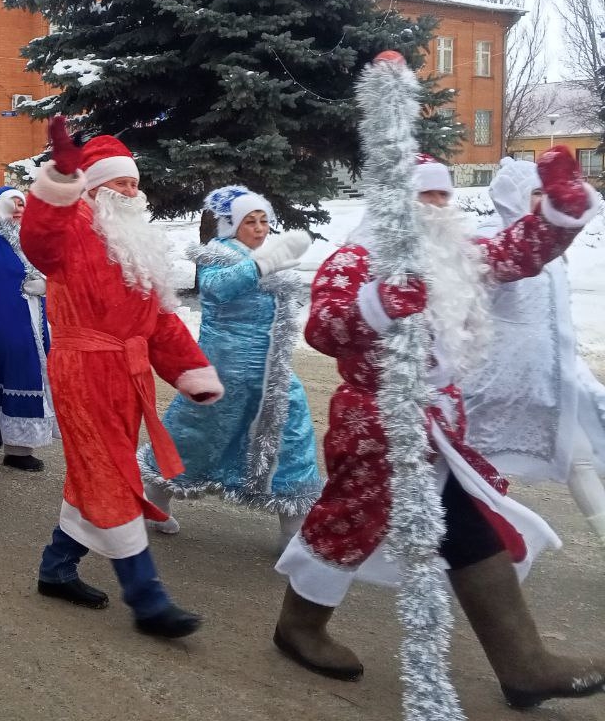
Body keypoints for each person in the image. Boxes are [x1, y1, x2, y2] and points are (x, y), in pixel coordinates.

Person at [273, 147, 605, 709]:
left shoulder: (456, 256)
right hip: (377, 424)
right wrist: (380, 304)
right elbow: (323, 330)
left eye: (443, 193)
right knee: (349, 524)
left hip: (441, 426)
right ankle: (299, 625)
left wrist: (559, 215)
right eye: (423, 193)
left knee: (466, 525)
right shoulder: (355, 259)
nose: (437, 204)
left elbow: (516, 252)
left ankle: (524, 663)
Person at [20, 120, 222, 640]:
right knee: (110, 473)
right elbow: (39, 238)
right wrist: (59, 181)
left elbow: (160, 321)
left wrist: (190, 371)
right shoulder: (72, 226)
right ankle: (147, 599)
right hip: (83, 370)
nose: (131, 192)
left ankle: (56, 568)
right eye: (119, 183)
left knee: (96, 470)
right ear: (93, 187)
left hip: (128, 376)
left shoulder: (135, 246)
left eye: (134, 183)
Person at [141, 185, 319, 545]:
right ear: (232, 225)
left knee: (291, 437)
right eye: (250, 221)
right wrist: (261, 265)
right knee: (193, 435)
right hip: (223, 370)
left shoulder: (270, 253)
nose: (259, 228)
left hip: (272, 373)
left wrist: (269, 261)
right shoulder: (217, 254)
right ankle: (155, 500)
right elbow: (217, 287)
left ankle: (293, 531)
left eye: (264, 220)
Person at [460, 158, 605, 547]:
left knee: (578, 456)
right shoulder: (492, 241)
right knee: (473, 468)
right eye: (535, 193)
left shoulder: (548, 248)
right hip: (495, 386)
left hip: (544, 380)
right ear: (515, 194)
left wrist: (573, 373)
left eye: (546, 193)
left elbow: (555, 324)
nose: (543, 201)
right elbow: (466, 313)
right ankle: (470, 548)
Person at [0, 187, 57, 471]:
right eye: (11, 204)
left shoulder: (36, 241)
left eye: (22, 204)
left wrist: (48, 285)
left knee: (26, 374)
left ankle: (17, 449)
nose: (18, 209)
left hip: (33, 324)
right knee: (1, 371)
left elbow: (62, 271)